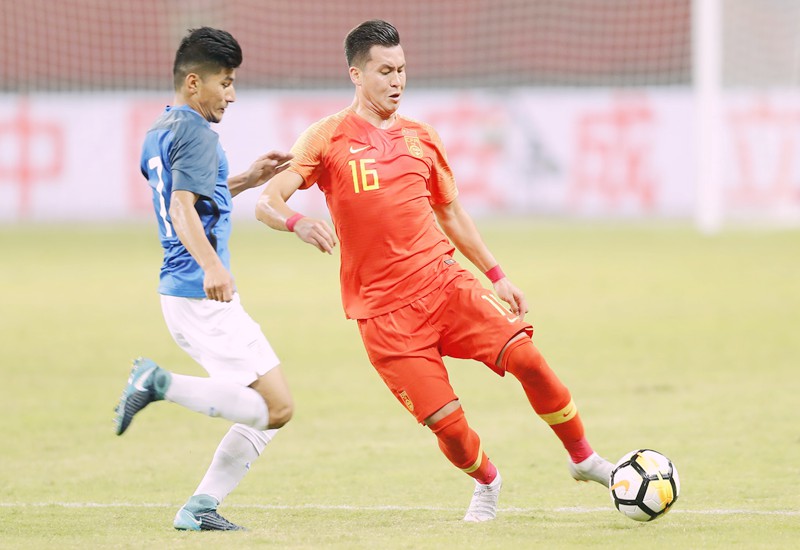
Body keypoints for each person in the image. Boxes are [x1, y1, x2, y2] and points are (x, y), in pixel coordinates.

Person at [255, 19, 614, 522]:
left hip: (445, 285)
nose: (397, 81)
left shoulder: (422, 138)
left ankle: (584, 458)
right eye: (385, 71)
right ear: (356, 74)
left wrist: (497, 275)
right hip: (384, 316)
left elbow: (451, 214)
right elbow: (266, 201)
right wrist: (297, 222)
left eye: (402, 70)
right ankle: (487, 481)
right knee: (449, 426)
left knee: (529, 359)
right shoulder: (326, 137)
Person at [113, 27, 294, 531]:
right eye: (225, 82)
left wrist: (246, 180)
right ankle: (158, 383)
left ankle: (200, 508)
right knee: (277, 408)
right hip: (200, 291)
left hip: (188, 292)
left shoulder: (159, 130)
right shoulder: (197, 133)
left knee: (269, 407)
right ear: (194, 83)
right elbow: (181, 207)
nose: (231, 95)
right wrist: (213, 265)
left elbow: (194, 195)